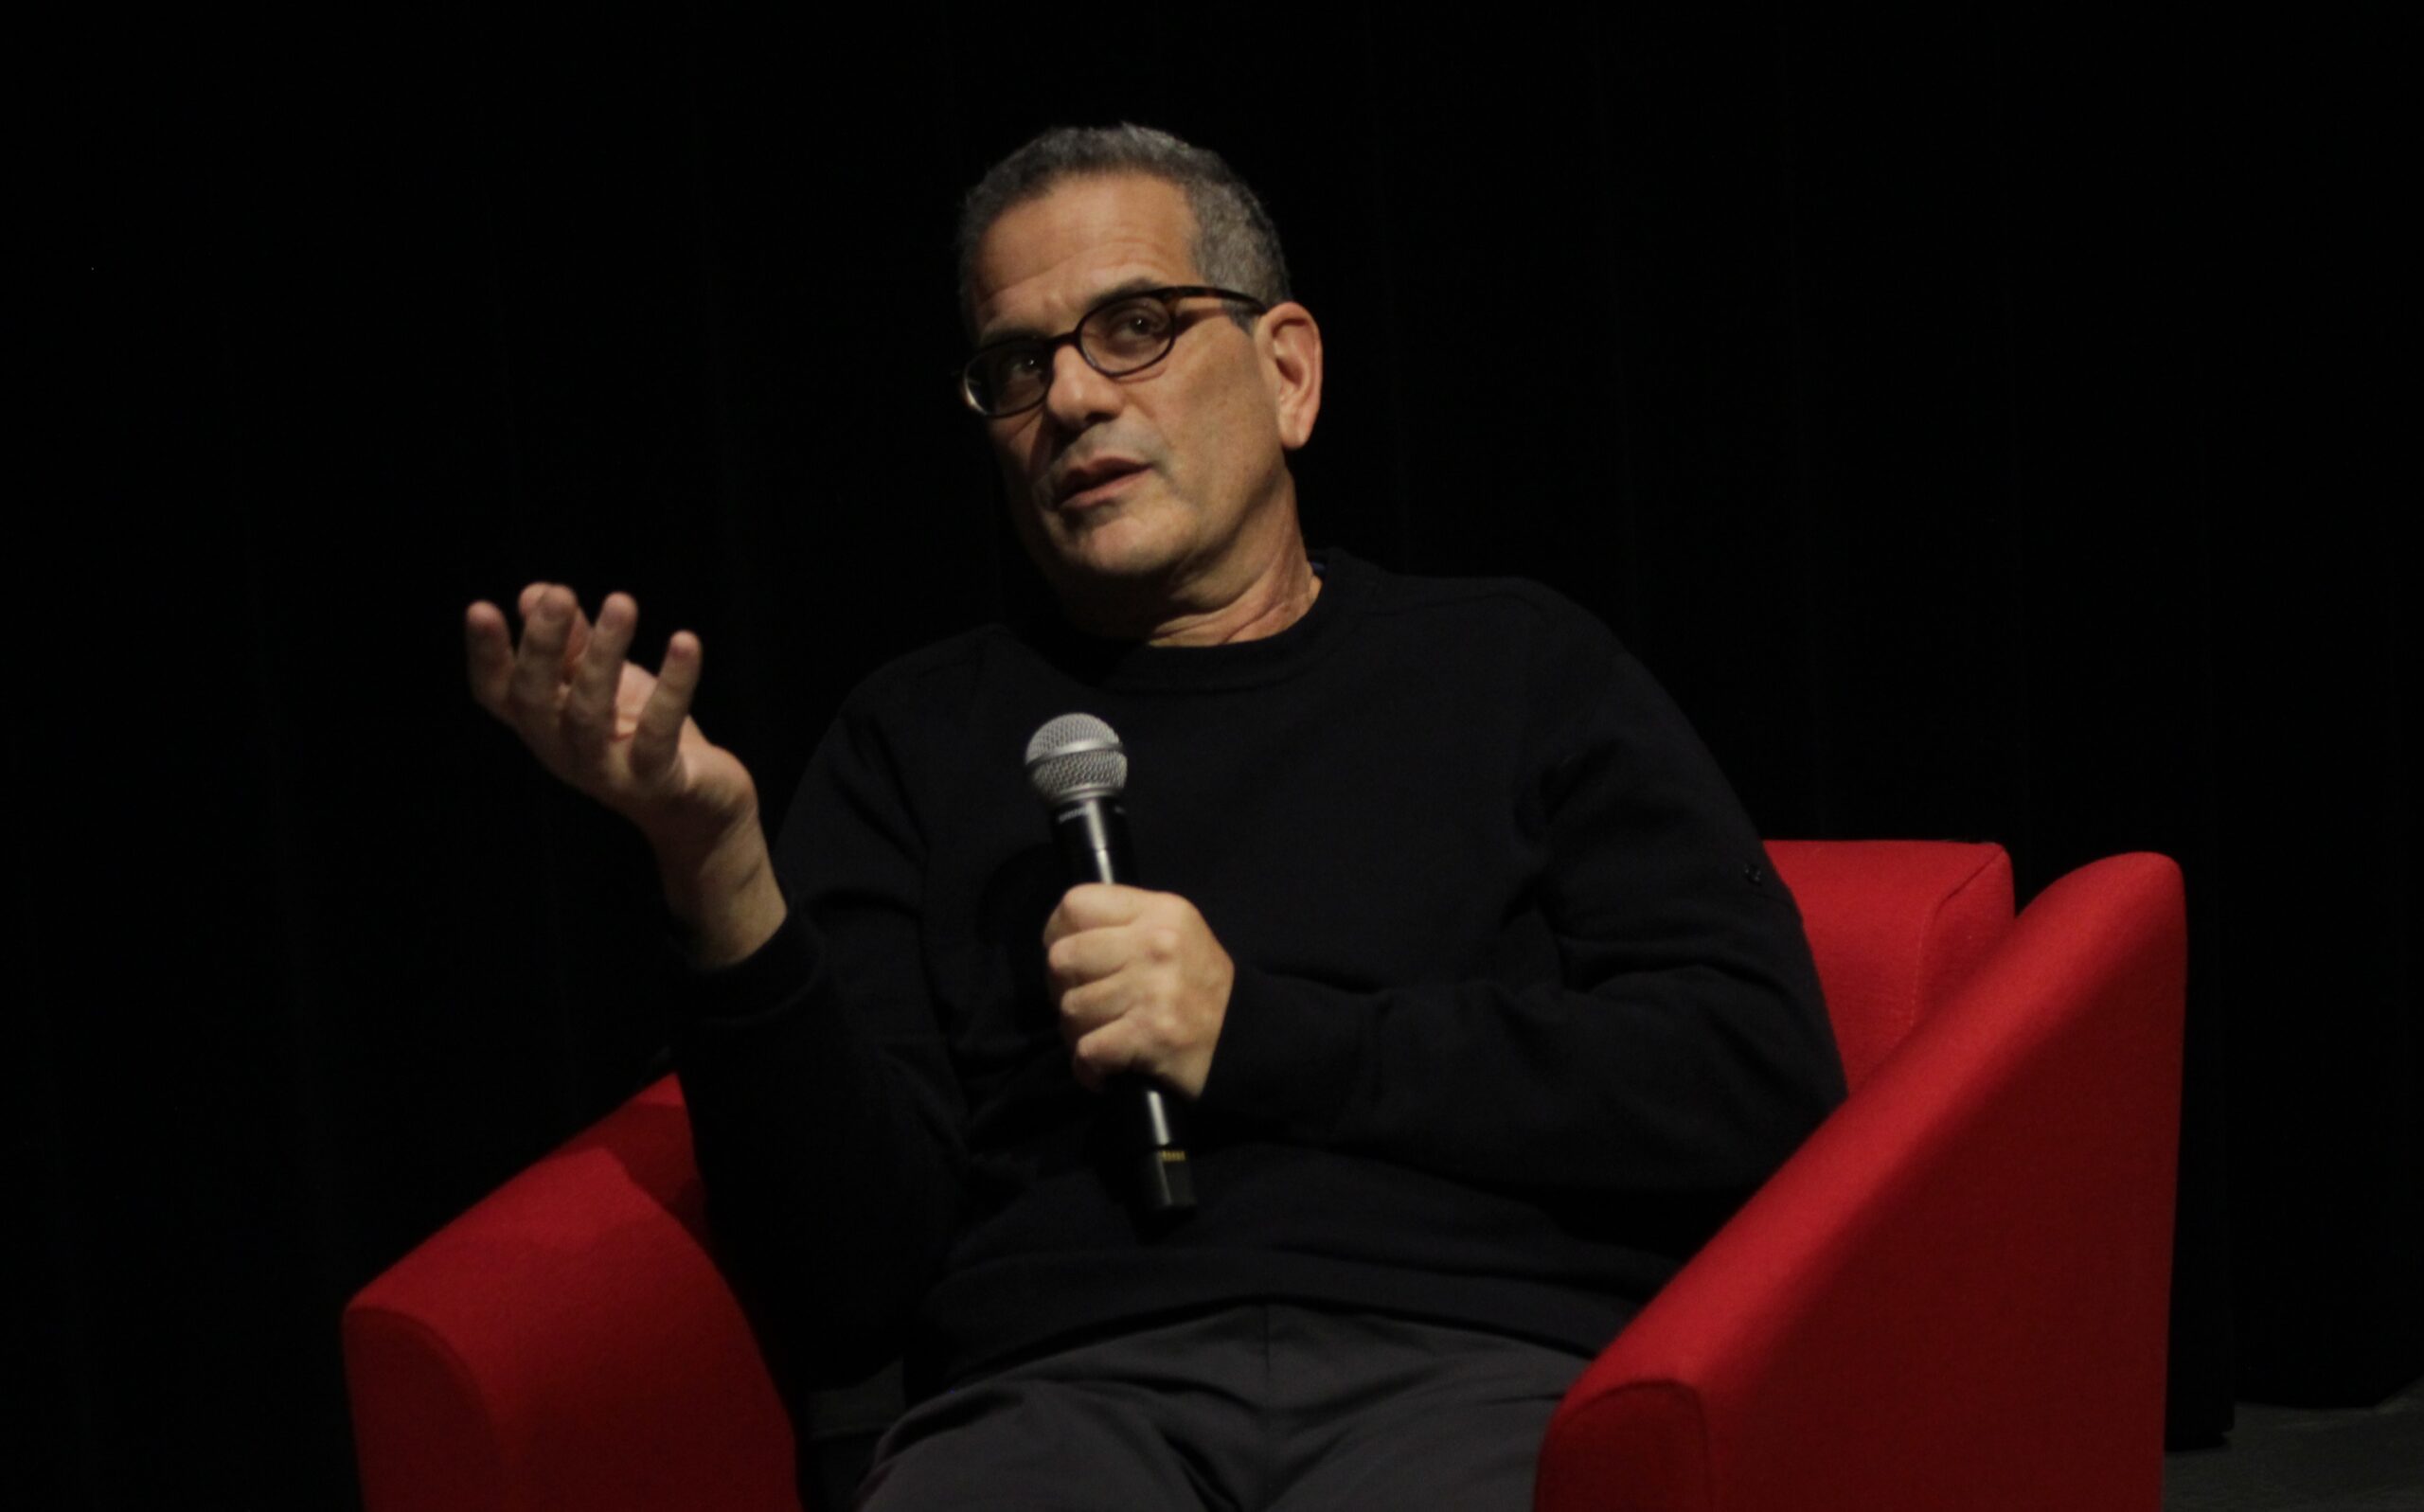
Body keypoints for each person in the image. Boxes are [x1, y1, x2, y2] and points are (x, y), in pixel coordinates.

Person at [463, 123, 1845, 1511]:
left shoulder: (1514, 667)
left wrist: (1257, 1033)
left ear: (1289, 370)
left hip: (1470, 1373)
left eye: (1133, 326)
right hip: (1057, 1401)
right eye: (1016, 363)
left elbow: (1753, 1073)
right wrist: (720, 875)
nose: (1066, 397)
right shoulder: (915, 738)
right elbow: (845, 1278)